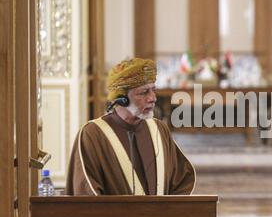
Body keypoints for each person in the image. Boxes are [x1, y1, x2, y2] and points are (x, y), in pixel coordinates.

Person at [66, 58, 196, 196]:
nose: (153, 98)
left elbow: (181, 180)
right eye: (144, 92)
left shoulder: (159, 129)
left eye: (153, 90)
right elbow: (86, 195)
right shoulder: (93, 134)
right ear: (121, 99)